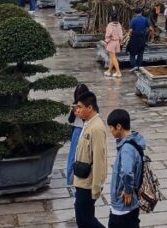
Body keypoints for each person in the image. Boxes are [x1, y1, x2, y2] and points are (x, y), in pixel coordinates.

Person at [72, 90, 108, 228]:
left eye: (80, 107)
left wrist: (96, 187)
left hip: (88, 181)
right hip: (81, 178)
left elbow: (99, 159)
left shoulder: (97, 128)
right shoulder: (88, 123)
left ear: (90, 108)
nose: (78, 110)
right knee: (85, 217)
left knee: (84, 219)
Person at [106, 108, 146, 228]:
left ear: (118, 126)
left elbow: (127, 172)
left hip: (122, 206)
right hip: (131, 205)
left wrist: (128, 190)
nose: (110, 130)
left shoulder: (127, 148)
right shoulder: (134, 142)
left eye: (111, 127)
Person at [66, 83, 91, 187]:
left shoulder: (90, 106)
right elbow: (70, 120)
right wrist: (73, 112)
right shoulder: (75, 104)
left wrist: (81, 113)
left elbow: (89, 119)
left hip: (86, 130)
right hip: (76, 130)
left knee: (85, 155)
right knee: (72, 155)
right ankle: (70, 179)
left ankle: (84, 177)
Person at [127, 8, 150, 73]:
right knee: (141, 53)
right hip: (142, 38)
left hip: (134, 38)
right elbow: (150, 28)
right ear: (141, 12)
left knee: (132, 53)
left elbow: (131, 30)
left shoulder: (133, 20)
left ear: (135, 13)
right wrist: (145, 33)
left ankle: (134, 66)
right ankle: (138, 66)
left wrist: (127, 37)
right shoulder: (145, 19)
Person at [103, 14, 124, 78]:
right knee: (112, 57)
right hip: (117, 42)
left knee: (113, 57)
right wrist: (120, 41)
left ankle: (118, 72)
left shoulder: (110, 25)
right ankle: (109, 71)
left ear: (111, 18)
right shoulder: (119, 24)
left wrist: (106, 41)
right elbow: (121, 35)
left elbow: (108, 34)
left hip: (111, 42)